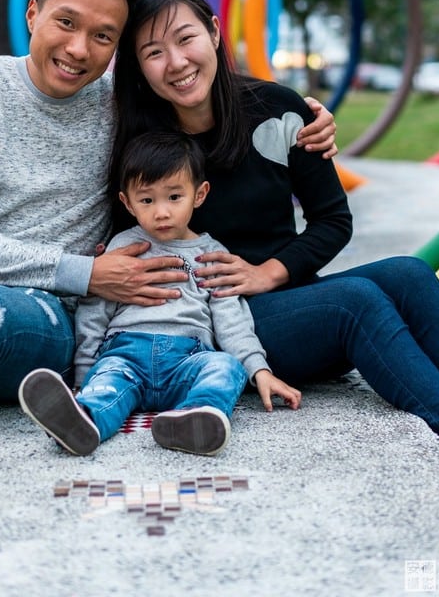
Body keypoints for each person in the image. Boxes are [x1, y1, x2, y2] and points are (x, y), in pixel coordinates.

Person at [0, 0, 333, 467]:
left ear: (116, 49)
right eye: (66, 22)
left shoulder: (125, 105)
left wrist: (298, 116)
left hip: (46, 314)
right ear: (33, 12)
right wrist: (87, 271)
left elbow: (203, 107)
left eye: (103, 36)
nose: (79, 49)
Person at [111, 0, 439, 535]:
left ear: (215, 32)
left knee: (410, 274)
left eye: (185, 38)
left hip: (285, 303)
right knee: (356, 302)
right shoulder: (140, 143)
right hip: (212, 329)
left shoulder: (281, 111)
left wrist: (270, 272)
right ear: (139, 66)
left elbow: (333, 221)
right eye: (152, 51)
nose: (175, 61)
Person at [18, 131, 301, 457]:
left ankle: (192, 418)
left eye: (174, 197)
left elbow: (231, 319)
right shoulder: (124, 247)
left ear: (199, 194)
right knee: (107, 386)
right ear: (127, 202)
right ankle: (82, 420)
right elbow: (96, 307)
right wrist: (84, 371)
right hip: (125, 354)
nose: (161, 212)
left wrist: (259, 370)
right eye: (147, 200)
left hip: (188, 359)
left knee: (226, 367)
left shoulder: (211, 254)